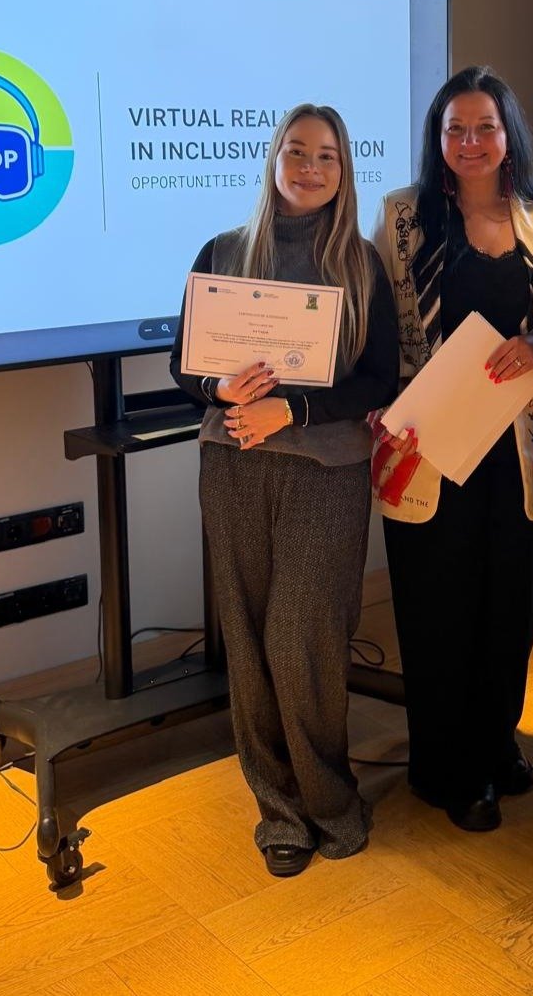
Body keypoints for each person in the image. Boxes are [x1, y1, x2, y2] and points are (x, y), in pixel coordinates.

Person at [170, 103, 398, 877]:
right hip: (232, 464)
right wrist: (218, 387)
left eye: (327, 155)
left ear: (344, 171)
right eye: (297, 151)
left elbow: (379, 379)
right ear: (273, 160)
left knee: (306, 639)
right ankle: (279, 810)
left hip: (324, 472)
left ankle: (330, 799)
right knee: (246, 637)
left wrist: (292, 408)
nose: (310, 166)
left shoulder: (361, 264)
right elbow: (183, 365)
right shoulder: (223, 251)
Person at [370, 66, 533, 832]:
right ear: (438, 138)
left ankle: (494, 740)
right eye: (455, 128)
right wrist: (378, 401)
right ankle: (447, 767)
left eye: (486, 126)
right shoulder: (403, 216)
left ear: (508, 133)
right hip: (431, 445)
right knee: (438, 608)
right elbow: (380, 323)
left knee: (511, 606)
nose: (471, 141)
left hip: (521, 448)